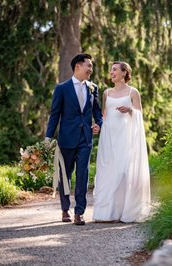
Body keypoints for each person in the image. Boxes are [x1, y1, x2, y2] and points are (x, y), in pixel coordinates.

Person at [45, 53, 103, 225]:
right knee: (65, 175)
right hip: (67, 138)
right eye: (89, 66)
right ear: (78, 66)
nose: (91, 69)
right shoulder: (61, 88)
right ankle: (65, 209)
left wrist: (99, 124)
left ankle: (79, 212)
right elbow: (54, 115)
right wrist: (48, 137)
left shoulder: (93, 88)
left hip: (85, 139)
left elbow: (97, 113)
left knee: (83, 175)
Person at [92, 61, 151, 223]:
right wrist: (98, 125)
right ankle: (107, 213)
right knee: (107, 171)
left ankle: (125, 211)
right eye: (111, 70)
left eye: (115, 70)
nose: (111, 73)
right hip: (108, 136)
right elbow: (104, 115)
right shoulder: (107, 93)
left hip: (125, 137)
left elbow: (139, 113)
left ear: (125, 73)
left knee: (123, 172)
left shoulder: (133, 92)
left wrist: (130, 110)